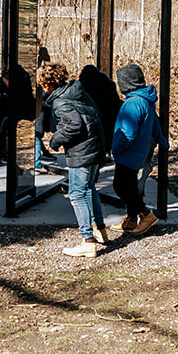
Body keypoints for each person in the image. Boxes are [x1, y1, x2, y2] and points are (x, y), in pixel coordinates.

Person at [39, 62, 110, 258]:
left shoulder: (60, 102)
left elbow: (74, 126)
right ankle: (100, 230)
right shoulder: (78, 91)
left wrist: (54, 141)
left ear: (46, 85)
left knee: (77, 194)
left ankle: (87, 240)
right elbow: (95, 114)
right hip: (95, 147)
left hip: (82, 153)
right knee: (89, 189)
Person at [109, 64, 166, 234]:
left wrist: (116, 149)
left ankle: (147, 215)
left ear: (125, 83)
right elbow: (155, 123)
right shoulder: (146, 100)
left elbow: (128, 133)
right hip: (139, 153)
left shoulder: (133, 103)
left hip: (128, 154)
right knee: (130, 186)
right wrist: (163, 142)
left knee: (120, 186)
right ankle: (131, 219)